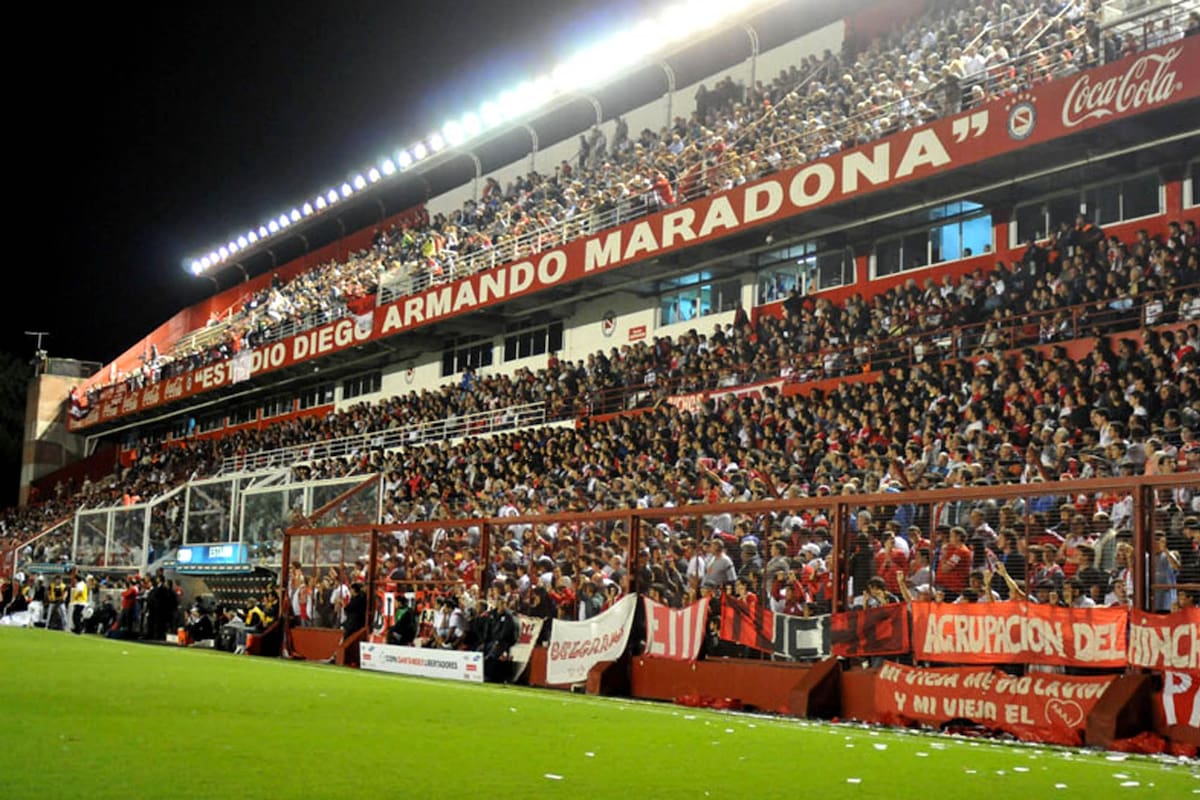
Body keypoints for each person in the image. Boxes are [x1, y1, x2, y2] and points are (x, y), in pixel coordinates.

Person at [483, 595, 519, 683]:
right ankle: (482, 673)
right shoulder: (492, 614)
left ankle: (490, 676)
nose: (501, 605)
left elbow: (506, 632)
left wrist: (498, 640)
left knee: (493, 653)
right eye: (499, 603)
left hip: (504, 642)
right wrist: (485, 640)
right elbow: (487, 628)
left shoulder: (509, 617)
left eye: (503, 603)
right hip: (492, 641)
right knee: (481, 649)